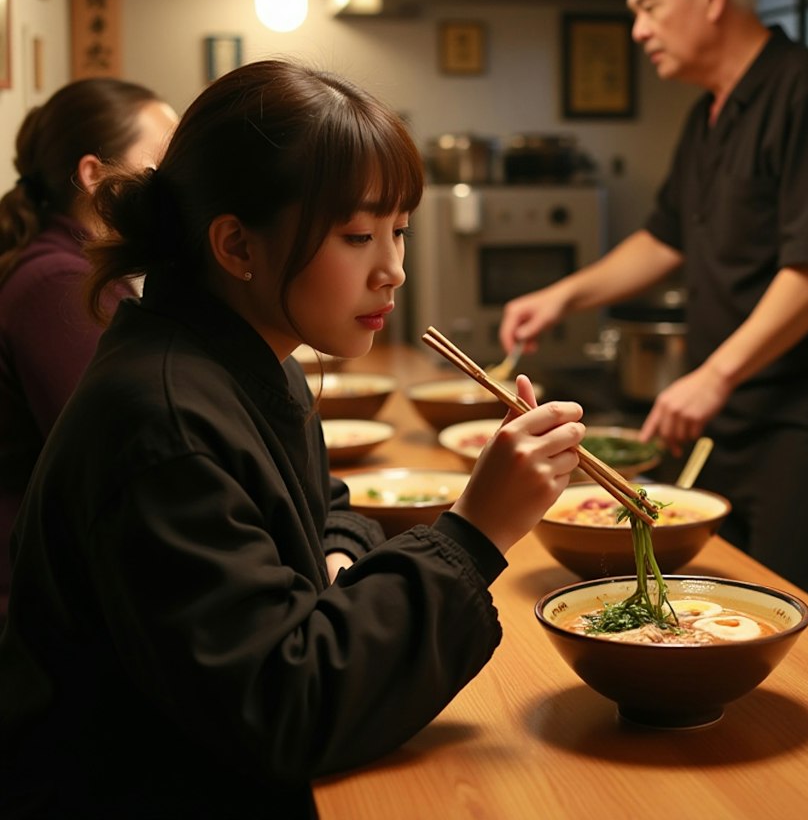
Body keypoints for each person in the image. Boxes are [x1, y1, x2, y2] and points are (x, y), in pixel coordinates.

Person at [0, 59, 583, 818]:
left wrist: (332, 557)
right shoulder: (162, 417)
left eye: (399, 233)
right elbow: (286, 708)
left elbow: (325, 506)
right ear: (237, 246)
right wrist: (477, 532)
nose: (394, 272)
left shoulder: (245, 359)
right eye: (357, 235)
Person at [500, 0, 808, 624]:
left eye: (647, 6)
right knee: (723, 608)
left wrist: (713, 373)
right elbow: (664, 241)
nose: (636, 30)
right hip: (737, 414)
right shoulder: (708, 117)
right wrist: (559, 297)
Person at [0, 78, 178, 621]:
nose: (177, 189)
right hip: (35, 605)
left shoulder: (79, 269)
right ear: (94, 176)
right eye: (162, 170)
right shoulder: (58, 285)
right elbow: (121, 454)